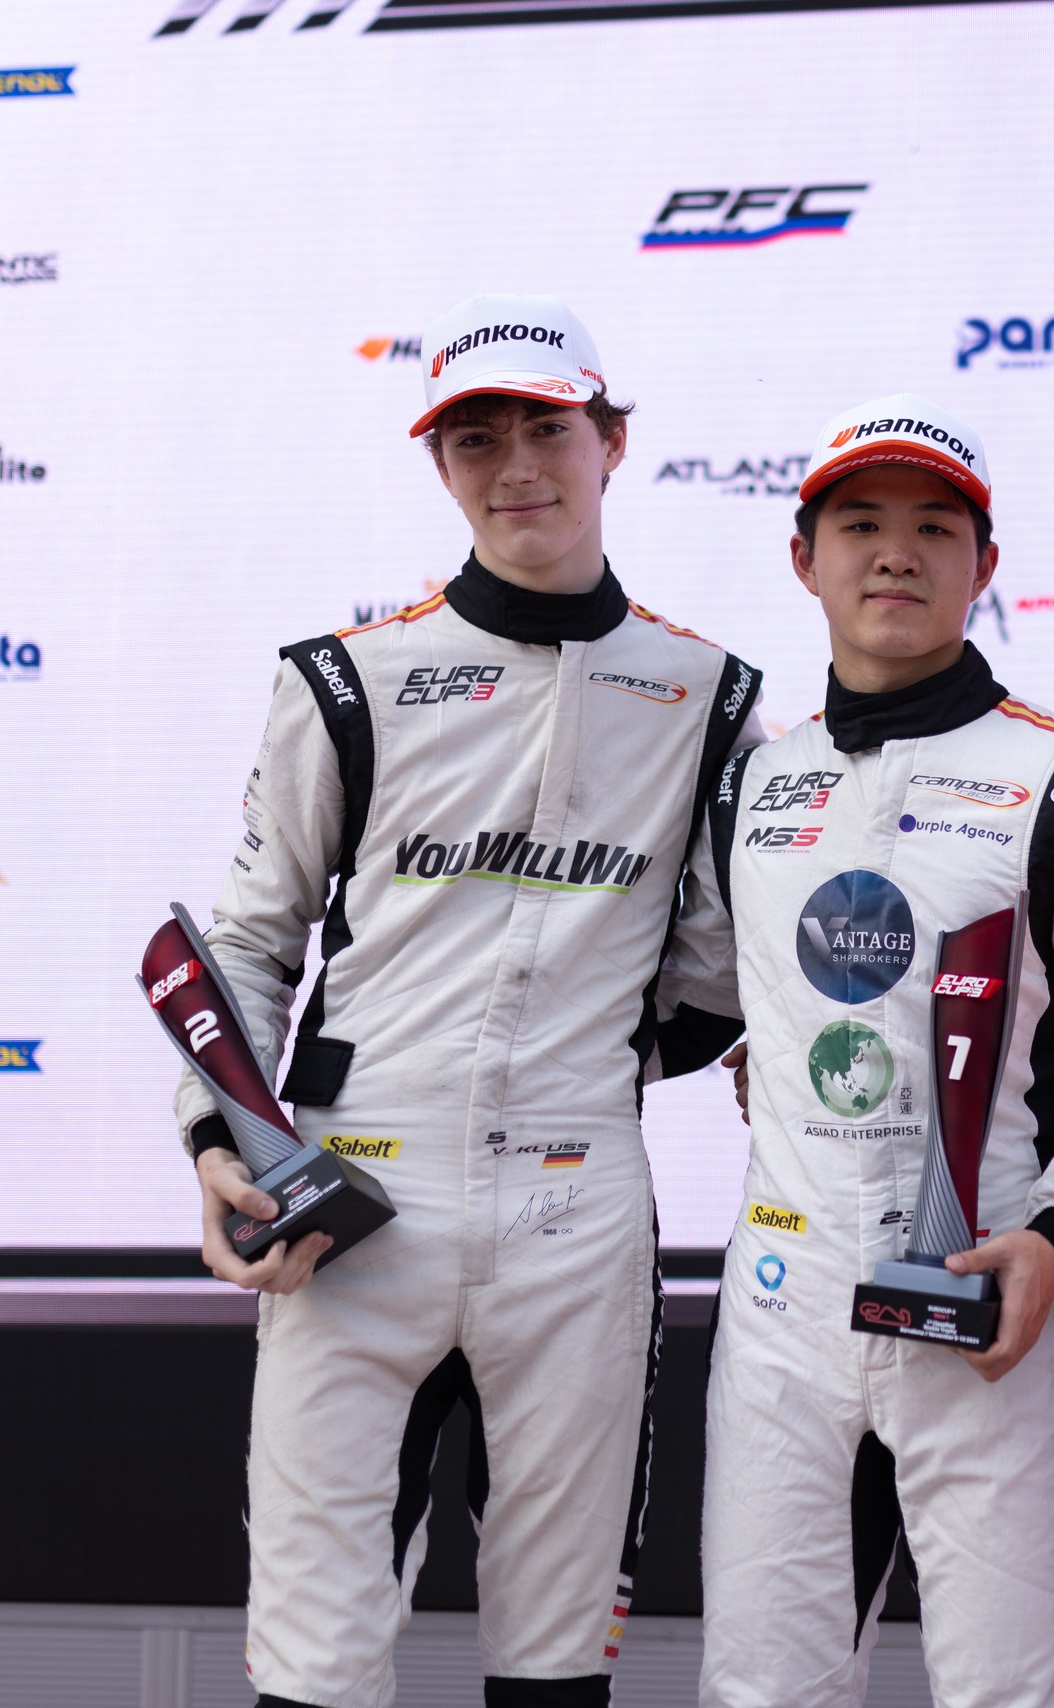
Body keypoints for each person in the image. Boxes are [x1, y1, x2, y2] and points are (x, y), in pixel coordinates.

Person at [177, 293, 762, 1708]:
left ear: (612, 440)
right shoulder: (347, 679)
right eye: (475, 439)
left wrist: (608, 1059)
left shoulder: (710, 693)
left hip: (578, 1207)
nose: (516, 468)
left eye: (547, 430)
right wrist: (220, 1137)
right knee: (315, 1661)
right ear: (440, 464)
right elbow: (249, 940)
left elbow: (719, 966)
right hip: (351, 1200)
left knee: (557, 1660)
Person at [659, 394, 1054, 1707]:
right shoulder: (751, 782)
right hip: (785, 1302)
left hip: (992, 1295)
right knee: (760, 1691)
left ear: (985, 564)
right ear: (803, 557)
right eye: (861, 525)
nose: (897, 553)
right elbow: (703, 994)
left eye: (936, 528)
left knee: (1008, 1694)